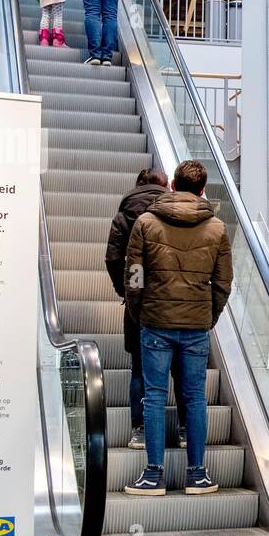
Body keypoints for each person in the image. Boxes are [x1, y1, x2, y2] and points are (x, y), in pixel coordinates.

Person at [123, 160, 232, 496]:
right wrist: (208, 315)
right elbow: (223, 282)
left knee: (154, 397)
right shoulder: (217, 229)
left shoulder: (145, 223)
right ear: (202, 189)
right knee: (195, 398)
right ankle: (196, 475)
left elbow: (134, 275)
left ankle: (153, 475)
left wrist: (140, 310)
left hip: (155, 323)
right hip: (195, 326)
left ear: (172, 185)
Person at [105, 168, 187, 451]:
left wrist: (127, 292)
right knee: (179, 367)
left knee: (140, 369)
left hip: (139, 304)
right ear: (167, 186)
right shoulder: (177, 214)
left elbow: (114, 259)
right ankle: (186, 428)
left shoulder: (124, 215)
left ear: (137, 185)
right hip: (177, 301)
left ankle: (139, 430)